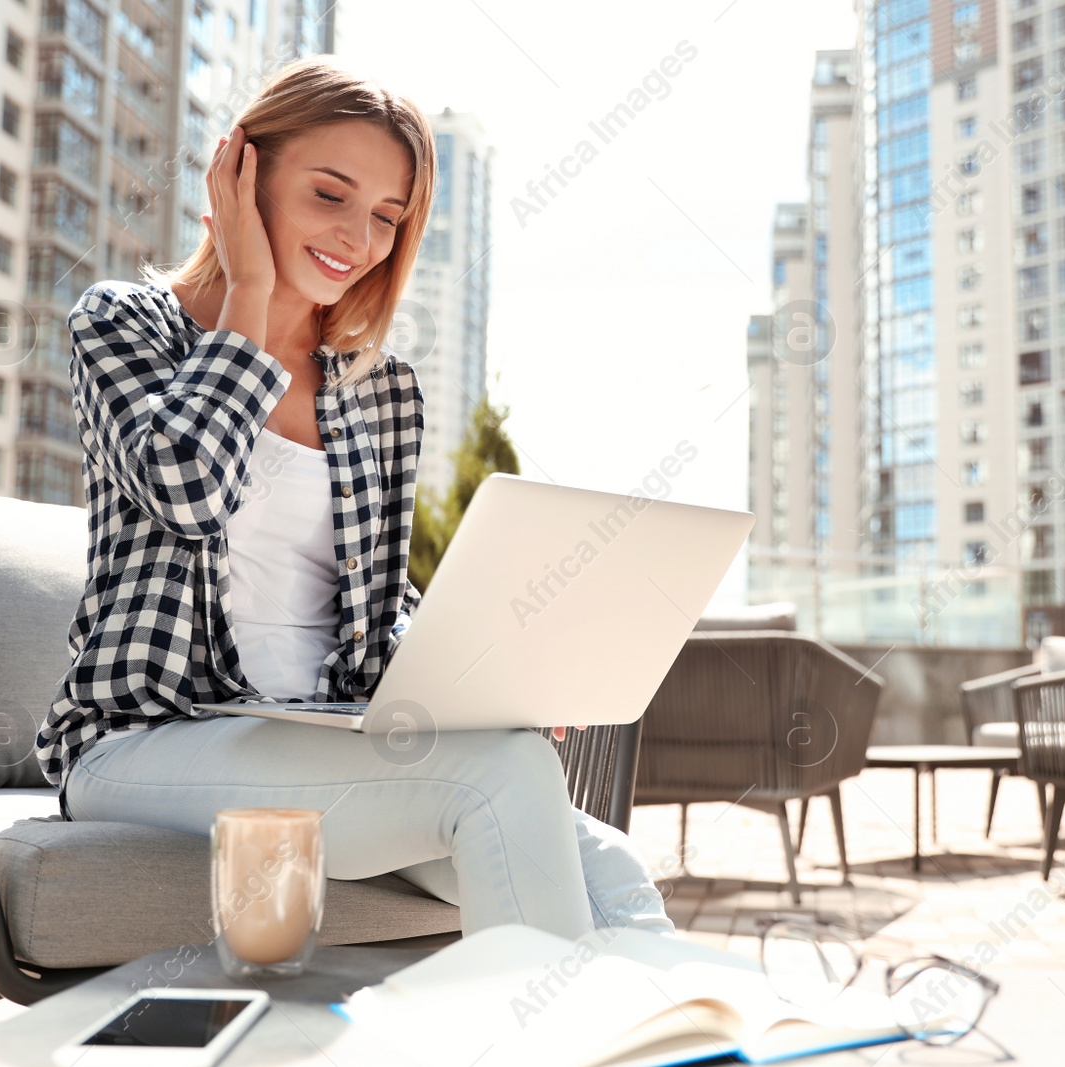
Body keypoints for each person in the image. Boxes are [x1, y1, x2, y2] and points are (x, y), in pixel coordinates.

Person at [35, 59, 673, 940]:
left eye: (385, 216)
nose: (358, 237)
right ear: (241, 174)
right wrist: (251, 295)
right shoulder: (124, 324)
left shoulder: (380, 389)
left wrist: (490, 682)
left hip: (329, 738)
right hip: (145, 739)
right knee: (499, 779)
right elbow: (184, 487)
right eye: (331, 194)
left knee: (611, 870)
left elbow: (377, 609)